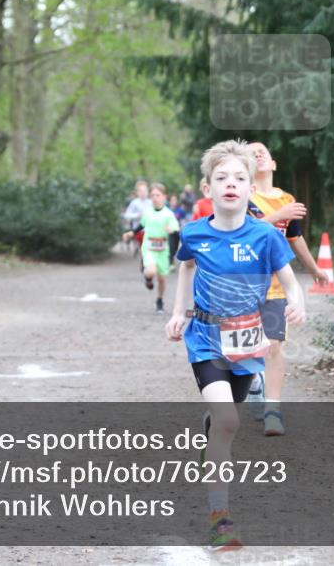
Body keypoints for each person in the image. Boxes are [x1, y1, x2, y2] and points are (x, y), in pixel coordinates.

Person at [165, 139, 305, 551]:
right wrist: (179, 312)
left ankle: (212, 429)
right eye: (222, 177)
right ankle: (220, 520)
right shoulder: (193, 233)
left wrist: (296, 304)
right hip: (206, 339)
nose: (231, 184)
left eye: (239, 178)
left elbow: (290, 283)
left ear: (250, 188)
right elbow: (186, 267)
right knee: (229, 422)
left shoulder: (265, 236)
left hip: (247, 345)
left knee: (224, 420)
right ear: (207, 188)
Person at [244, 141, 329, 436]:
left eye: (262, 152)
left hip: (275, 286)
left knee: (273, 346)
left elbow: (295, 238)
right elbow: (245, 232)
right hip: (242, 285)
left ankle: (273, 410)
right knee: (242, 348)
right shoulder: (242, 195)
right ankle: (253, 381)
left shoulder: (286, 199)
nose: (258, 154)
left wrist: (313, 268)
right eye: (251, 153)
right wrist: (280, 215)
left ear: (273, 163)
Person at [122, 183, 179, 314]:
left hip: (163, 251)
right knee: (151, 271)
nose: (155, 198)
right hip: (149, 248)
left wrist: (172, 231)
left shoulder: (168, 214)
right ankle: (148, 278)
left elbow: (176, 231)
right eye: (152, 195)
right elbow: (141, 226)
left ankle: (159, 300)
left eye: (158, 195)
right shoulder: (147, 212)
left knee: (162, 280)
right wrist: (131, 233)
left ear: (164, 197)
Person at [122, 181, 152, 254]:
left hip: (150, 230)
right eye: (141, 191)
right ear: (137, 192)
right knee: (145, 250)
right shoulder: (134, 203)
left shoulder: (151, 202)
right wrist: (137, 215)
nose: (143, 193)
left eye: (145, 191)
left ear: (148, 192)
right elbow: (127, 215)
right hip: (138, 231)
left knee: (149, 251)